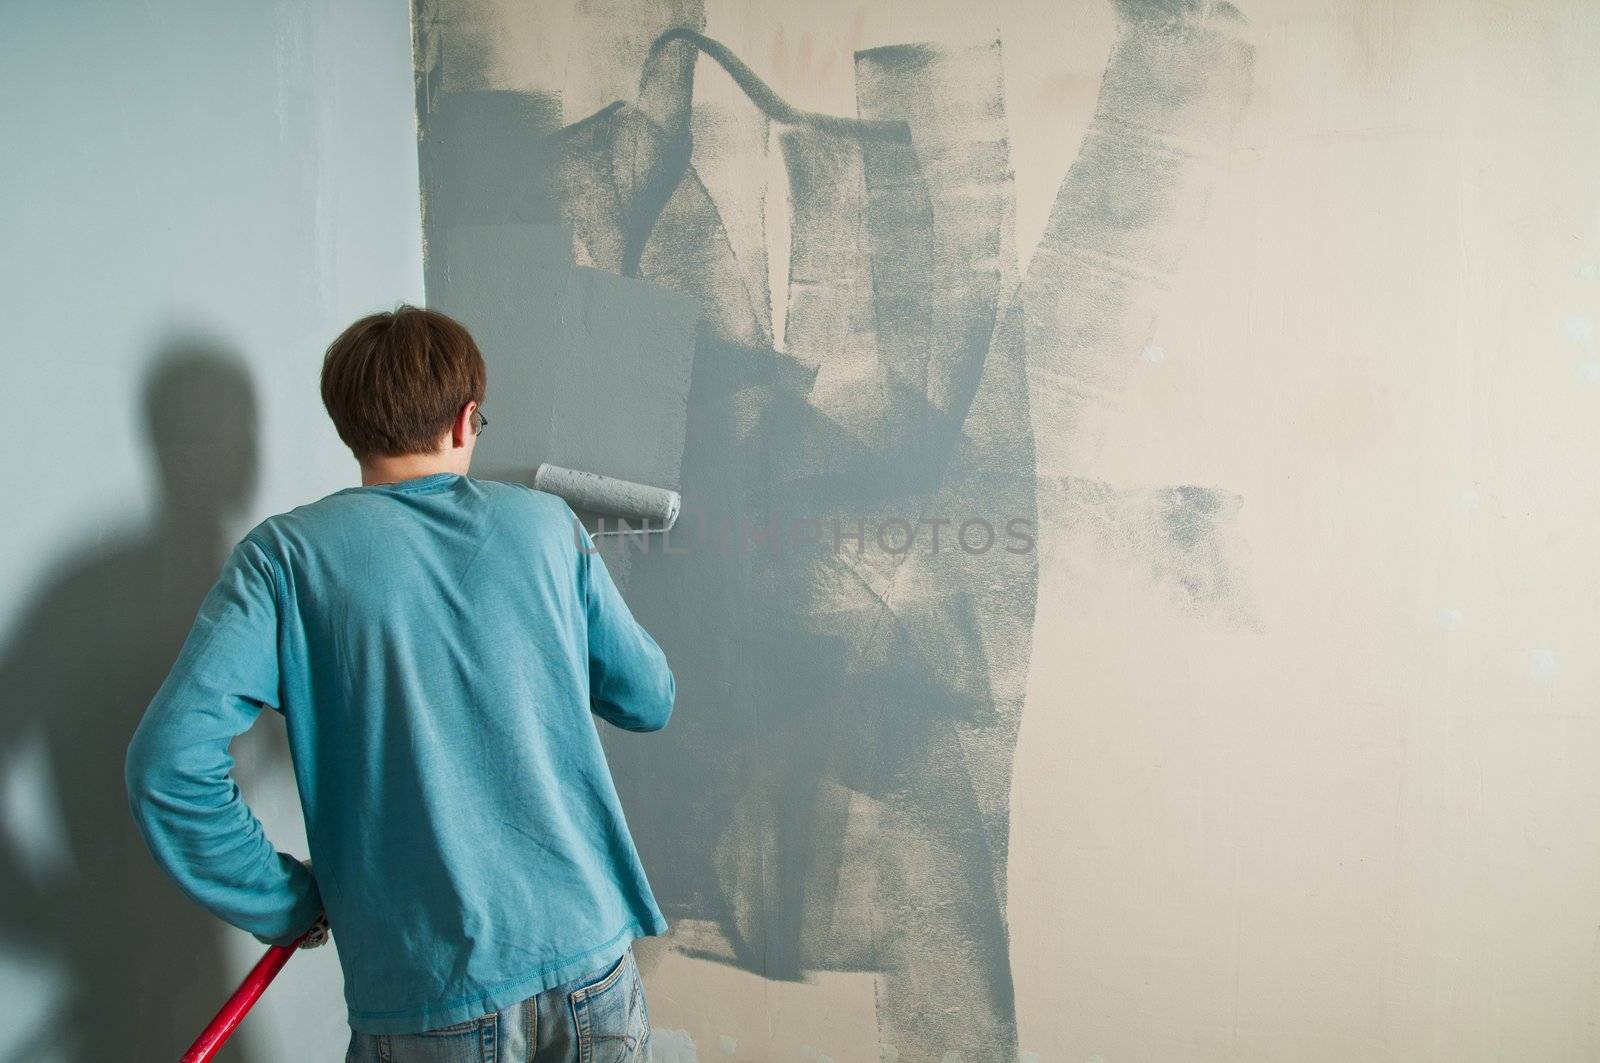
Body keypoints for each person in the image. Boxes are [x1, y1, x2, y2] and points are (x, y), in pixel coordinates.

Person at [124, 305, 674, 1062]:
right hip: (591, 969)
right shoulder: (548, 528)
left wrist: (285, 902)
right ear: (467, 419)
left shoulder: (284, 560)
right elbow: (649, 698)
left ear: (351, 426)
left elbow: (169, 767)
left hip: (431, 999)